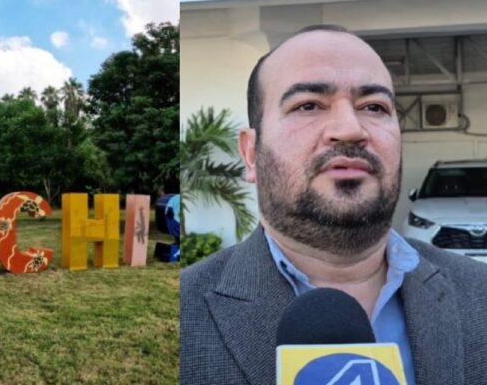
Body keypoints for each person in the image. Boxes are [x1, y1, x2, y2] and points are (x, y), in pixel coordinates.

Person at [180, 25, 487, 385]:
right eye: (308, 105)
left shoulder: (479, 294)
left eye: (374, 107)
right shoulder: (184, 312)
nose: (350, 129)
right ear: (251, 153)